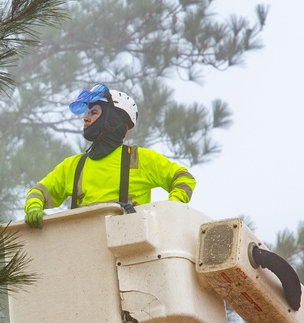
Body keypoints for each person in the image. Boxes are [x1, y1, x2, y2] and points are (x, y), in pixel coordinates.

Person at [24, 84, 195, 228]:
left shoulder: (139, 159)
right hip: (84, 251)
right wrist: (33, 207)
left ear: (111, 120)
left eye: (93, 112)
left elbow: (183, 178)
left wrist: (172, 208)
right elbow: (38, 192)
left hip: (129, 251)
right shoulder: (74, 165)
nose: (86, 118)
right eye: (87, 113)